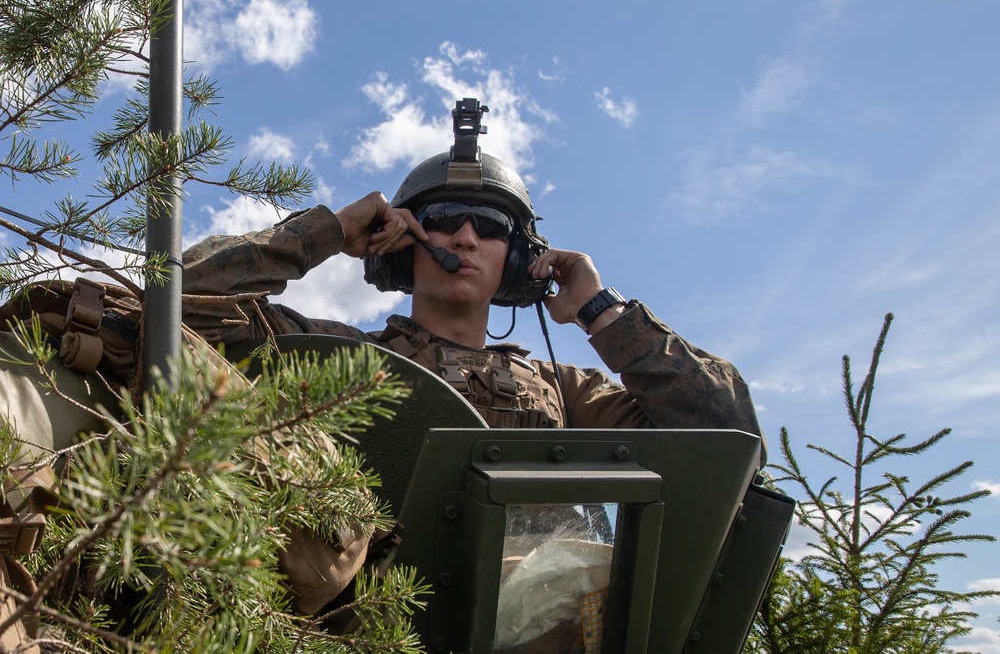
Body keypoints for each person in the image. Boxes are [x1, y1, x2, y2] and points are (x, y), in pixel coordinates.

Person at [180, 99, 764, 624]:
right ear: (407, 242)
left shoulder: (564, 390)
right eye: (443, 218)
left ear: (516, 260)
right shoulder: (340, 355)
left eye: (488, 226)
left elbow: (728, 430)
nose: (463, 237)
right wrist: (328, 232)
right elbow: (176, 307)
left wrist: (600, 311)